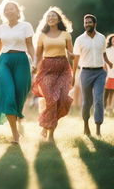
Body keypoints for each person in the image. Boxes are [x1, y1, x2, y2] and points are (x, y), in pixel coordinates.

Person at [0, 0, 35, 144]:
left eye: (12, 8)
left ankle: (17, 119)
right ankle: (15, 135)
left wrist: (35, 61)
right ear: (3, 13)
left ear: (18, 11)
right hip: (4, 62)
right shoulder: (1, 28)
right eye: (6, 9)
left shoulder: (26, 26)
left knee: (19, 95)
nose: (9, 11)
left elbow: (30, 46)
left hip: (21, 61)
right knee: (9, 95)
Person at [32, 7, 73, 142]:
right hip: (47, 69)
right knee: (51, 100)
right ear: (46, 19)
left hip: (63, 69)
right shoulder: (42, 36)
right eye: (48, 16)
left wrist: (75, 56)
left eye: (53, 16)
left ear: (59, 19)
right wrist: (34, 67)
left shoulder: (66, 35)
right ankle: (50, 134)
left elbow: (71, 54)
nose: (51, 18)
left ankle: (46, 126)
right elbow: (38, 56)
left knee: (61, 99)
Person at [73, 14, 113, 137]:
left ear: (95, 24)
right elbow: (75, 58)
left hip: (100, 73)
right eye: (85, 23)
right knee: (87, 102)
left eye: (89, 22)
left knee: (99, 99)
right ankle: (86, 125)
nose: (87, 24)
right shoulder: (79, 39)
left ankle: (98, 129)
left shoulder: (101, 38)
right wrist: (73, 74)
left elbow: (104, 53)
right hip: (85, 72)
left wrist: (108, 63)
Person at [104, 34, 114, 115]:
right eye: (113, 40)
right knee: (106, 93)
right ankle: (104, 109)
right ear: (110, 41)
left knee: (112, 93)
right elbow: (104, 62)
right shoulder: (107, 50)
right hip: (108, 74)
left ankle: (110, 109)